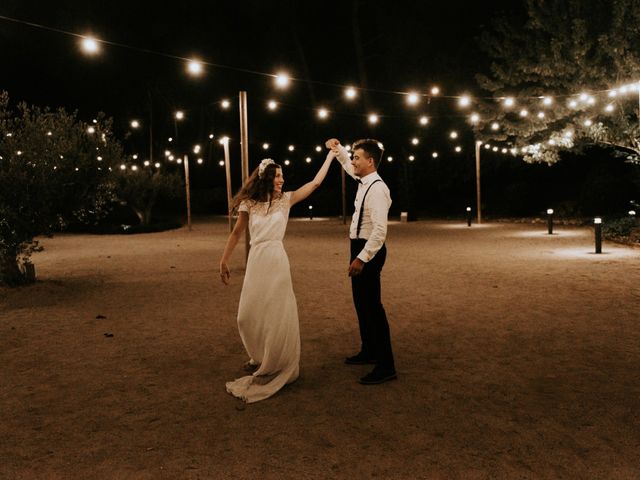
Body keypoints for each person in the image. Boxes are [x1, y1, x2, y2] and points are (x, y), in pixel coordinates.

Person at [219, 152, 335, 403]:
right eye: (278, 175)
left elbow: (314, 183)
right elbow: (237, 233)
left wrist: (330, 156)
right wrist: (224, 260)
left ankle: (275, 361)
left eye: (282, 176)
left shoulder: (287, 200)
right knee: (246, 315)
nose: (282, 179)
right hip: (257, 260)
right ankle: (259, 355)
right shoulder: (249, 203)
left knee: (276, 314)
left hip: (277, 260)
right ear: (267, 178)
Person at [325, 138, 396, 385]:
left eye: (357, 157)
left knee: (373, 308)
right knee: (361, 305)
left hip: (369, 250)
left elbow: (379, 231)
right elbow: (346, 164)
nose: (353, 160)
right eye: (353, 156)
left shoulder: (377, 188)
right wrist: (337, 149)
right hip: (358, 246)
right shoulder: (363, 180)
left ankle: (386, 365)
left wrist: (361, 258)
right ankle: (369, 351)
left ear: (370, 161)